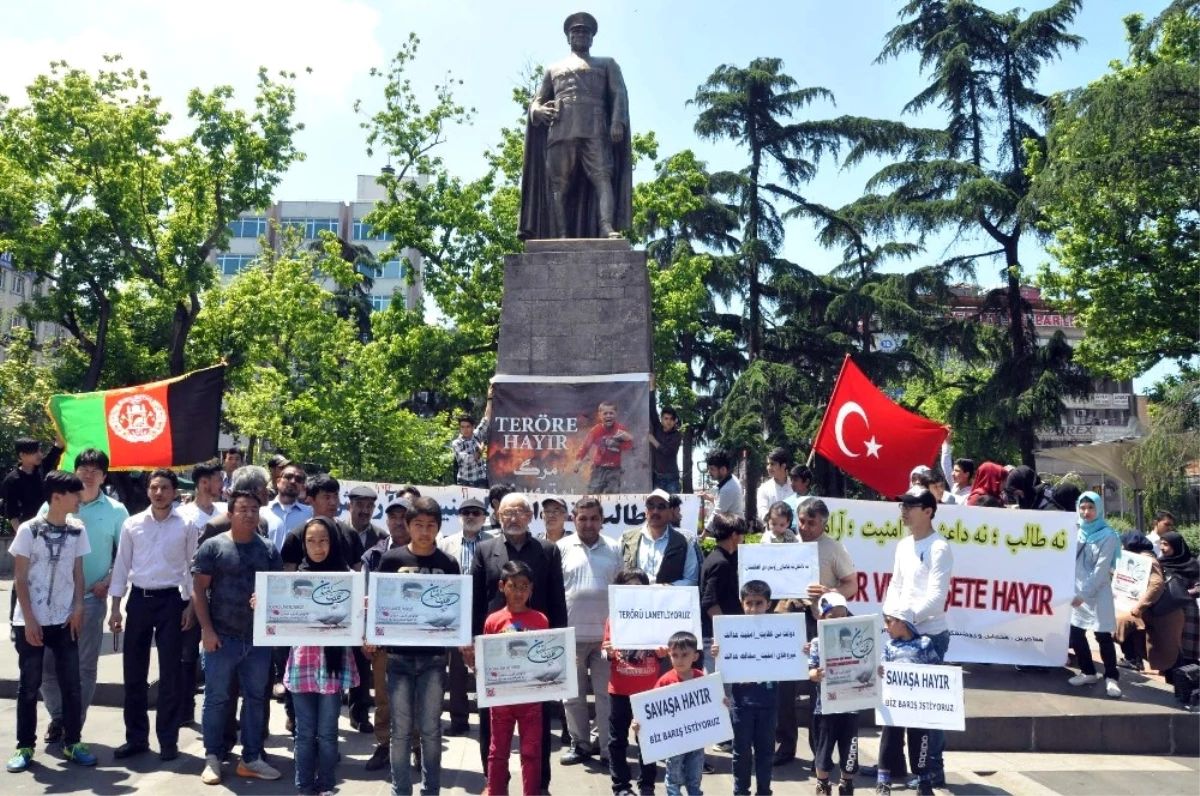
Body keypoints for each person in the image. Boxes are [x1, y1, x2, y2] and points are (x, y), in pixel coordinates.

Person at [471, 493, 569, 790]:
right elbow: (477, 601)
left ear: (530, 516)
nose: (513, 518)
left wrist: (561, 647)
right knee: (492, 726)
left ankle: (539, 784)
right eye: (506, 512)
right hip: (495, 645)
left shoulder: (547, 550)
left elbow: (557, 599)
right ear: (498, 516)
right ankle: (494, 782)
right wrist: (471, 645)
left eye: (519, 512)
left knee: (536, 727)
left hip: (537, 648)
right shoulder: (484, 550)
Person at [192, 488, 284, 785]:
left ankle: (251, 758)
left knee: (257, 699)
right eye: (242, 509)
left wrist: (267, 603)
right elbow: (199, 591)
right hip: (221, 638)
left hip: (258, 641)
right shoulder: (213, 547)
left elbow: (278, 591)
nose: (249, 514)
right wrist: (206, 630)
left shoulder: (269, 549)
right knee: (216, 700)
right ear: (230, 514)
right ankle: (213, 757)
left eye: (254, 510)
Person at [7, 471, 98, 772]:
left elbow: (78, 572)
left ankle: (72, 742)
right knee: (29, 686)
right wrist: (29, 620)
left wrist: (78, 609)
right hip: (31, 622)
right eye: (75, 493)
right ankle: (24, 746)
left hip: (64, 620)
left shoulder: (77, 530)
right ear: (57, 497)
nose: (80, 498)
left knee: (72, 683)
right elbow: (19, 578)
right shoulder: (29, 530)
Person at [37, 449, 128, 743]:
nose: (88, 475)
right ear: (75, 471)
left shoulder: (116, 511)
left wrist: (109, 580)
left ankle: (73, 727)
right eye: (83, 468)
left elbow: (126, 556)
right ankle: (59, 718)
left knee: (84, 668)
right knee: (46, 668)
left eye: (95, 470)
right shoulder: (55, 504)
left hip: (91, 600)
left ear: (104, 476)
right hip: (52, 604)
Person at [107, 468, 197, 761]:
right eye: (154, 487)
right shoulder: (133, 524)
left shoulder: (186, 523)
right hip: (139, 601)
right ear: (148, 490)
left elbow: (192, 568)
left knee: (171, 674)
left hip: (172, 602)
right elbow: (121, 566)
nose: (159, 493)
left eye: (165, 488)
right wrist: (115, 607)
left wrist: (191, 607)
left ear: (174, 492)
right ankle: (136, 738)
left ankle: (168, 740)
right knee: (134, 673)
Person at [519, 11, 633, 241]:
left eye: (585, 32)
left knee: (602, 178)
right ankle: (560, 234)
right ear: (568, 37)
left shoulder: (607, 64)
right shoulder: (553, 69)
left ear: (592, 38)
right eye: (576, 31)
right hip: (561, 131)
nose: (580, 35)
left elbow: (618, 93)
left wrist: (617, 122)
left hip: (596, 129)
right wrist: (536, 111)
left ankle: (606, 227)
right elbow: (537, 102)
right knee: (558, 186)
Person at [377, 496, 461, 796]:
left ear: (439, 527)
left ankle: (431, 790)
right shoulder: (391, 560)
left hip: (435, 660)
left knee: (430, 730)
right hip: (398, 657)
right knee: (400, 731)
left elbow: (456, 609)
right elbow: (380, 606)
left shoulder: (448, 563)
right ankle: (400, 790)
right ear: (407, 526)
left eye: (431, 525)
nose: (425, 531)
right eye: (418, 525)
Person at [776, 499, 858, 768]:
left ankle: (818, 753)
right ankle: (786, 745)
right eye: (801, 520)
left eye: (811, 522)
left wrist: (828, 593)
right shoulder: (786, 544)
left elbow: (852, 586)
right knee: (784, 686)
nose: (805, 526)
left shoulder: (834, 549)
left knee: (817, 687)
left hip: (819, 622)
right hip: (789, 620)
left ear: (824, 522)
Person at [882, 490, 953, 786]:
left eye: (911, 506)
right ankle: (895, 767)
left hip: (930, 636)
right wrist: (889, 617)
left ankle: (933, 769)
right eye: (903, 505)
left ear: (928, 511)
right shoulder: (902, 545)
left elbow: (937, 598)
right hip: (901, 634)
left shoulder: (939, 547)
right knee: (898, 707)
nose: (904, 510)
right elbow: (895, 584)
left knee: (927, 711)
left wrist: (907, 622)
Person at [286, 517, 358, 796]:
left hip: (333, 664)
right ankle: (304, 786)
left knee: (328, 733)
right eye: (311, 541)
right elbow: (278, 616)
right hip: (303, 663)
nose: (318, 547)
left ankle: (327, 785)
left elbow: (357, 617)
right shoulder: (293, 582)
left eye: (324, 540)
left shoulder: (348, 579)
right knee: (304, 733)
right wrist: (264, 603)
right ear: (303, 544)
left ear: (334, 542)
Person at [476, 560, 549, 796]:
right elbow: (485, 658)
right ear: (501, 587)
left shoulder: (541, 620)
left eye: (524, 586)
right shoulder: (493, 621)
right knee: (498, 752)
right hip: (502, 701)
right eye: (513, 586)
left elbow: (548, 656)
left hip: (531, 700)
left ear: (531, 589)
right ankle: (496, 790)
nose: (519, 592)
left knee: (532, 752)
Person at [558, 496, 621, 765]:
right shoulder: (559, 548)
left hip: (605, 639)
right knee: (572, 695)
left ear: (602, 520)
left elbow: (622, 592)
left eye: (594, 518)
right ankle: (580, 745)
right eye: (582, 518)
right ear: (573, 519)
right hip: (570, 636)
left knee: (606, 695)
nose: (588, 523)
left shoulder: (615, 549)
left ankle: (608, 748)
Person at [362, 496, 414, 772]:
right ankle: (383, 746)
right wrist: (365, 635)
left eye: (403, 516)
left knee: (415, 698)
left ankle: (416, 748)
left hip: (418, 640)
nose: (397, 521)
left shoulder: (428, 553)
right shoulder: (374, 554)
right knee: (383, 697)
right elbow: (365, 597)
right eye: (392, 516)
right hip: (383, 640)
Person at [712, 579, 778, 796]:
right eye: (749, 603)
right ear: (742, 603)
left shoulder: (781, 630)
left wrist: (801, 650)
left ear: (768, 604)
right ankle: (740, 792)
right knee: (741, 753)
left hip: (769, 703)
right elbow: (723, 667)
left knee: (766, 752)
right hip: (741, 704)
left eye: (759, 603)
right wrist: (717, 653)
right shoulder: (731, 630)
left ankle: (764, 791)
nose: (754, 608)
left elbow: (790, 659)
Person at [603, 568, 664, 796]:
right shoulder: (613, 618)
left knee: (648, 740)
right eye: (628, 587)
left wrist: (661, 652)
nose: (633, 591)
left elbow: (662, 651)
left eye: (639, 586)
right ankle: (621, 786)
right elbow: (604, 650)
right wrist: (608, 653)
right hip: (618, 690)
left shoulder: (656, 617)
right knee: (617, 741)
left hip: (648, 690)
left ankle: (647, 784)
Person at [439, 496, 493, 737]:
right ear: (459, 516)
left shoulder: (494, 543)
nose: (471, 516)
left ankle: (490, 719)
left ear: (484, 517)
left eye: (476, 512)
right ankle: (459, 719)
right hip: (455, 613)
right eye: (466, 512)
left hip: (486, 612)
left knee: (487, 667)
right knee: (458, 671)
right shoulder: (446, 544)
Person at [875, 609, 940, 796]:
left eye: (889, 622)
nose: (886, 627)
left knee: (920, 740)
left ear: (902, 622)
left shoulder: (925, 644)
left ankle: (923, 781)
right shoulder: (889, 646)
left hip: (918, 704)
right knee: (889, 739)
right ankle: (883, 782)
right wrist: (881, 672)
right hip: (895, 704)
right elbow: (883, 669)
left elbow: (936, 672)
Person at [632, 631, 707, 796]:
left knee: (695, 774)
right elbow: (651, 708)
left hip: (697, 737)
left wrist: (722, 704)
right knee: (673, 774)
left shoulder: (702, 678)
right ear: (669, 656)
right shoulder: (665, 680)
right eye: (675, 655)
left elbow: (713, 702)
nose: (679, 660)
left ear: (695, 656)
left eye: (685, 655)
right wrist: (639, 724)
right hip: (673, 740)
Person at [1067, 491, 1122, 699]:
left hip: (1097, 593)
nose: (1086, 512)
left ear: (1098, 509)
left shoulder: (1107, 535)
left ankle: (1111, 677)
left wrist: (1084, 593)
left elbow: (1101, 570)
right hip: (1076, 591)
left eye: (1090, 508)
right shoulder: (1077, 531)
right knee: (1076, 633)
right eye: (1082, 507)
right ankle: (1088, 671)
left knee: (1102, 635)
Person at [805, 593, 859, 796]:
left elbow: (868, 664)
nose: (838, 621)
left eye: (842, 616)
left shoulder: (856, 640)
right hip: (825, 708)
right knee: (823, 751)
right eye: (832, 617)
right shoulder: (817, 643)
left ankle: (847, 784)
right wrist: (815, 674)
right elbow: (810, 670)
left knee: (849, 750)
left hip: (851, 707)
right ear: (821, 618)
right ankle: (823, 784)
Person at [1114, 532, 1182, 674]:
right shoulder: (1139, 557)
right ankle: (1133, 659)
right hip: (1153, 612)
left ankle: (1184, 684)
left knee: (1167, 651)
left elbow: (1156, 585)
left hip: (1162, 614)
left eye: (1123, 543)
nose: (1122, 546)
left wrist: (1140, 606)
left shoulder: (1146, 559)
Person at [620, 489, 699, 586]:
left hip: (669, 599)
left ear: (670, 512)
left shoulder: (684, 542)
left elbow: (691, 580)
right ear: (645, 511)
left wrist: (665, 587)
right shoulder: (627, 540)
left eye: (661, 507)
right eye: (651, 506)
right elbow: (616, 576)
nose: (655, 511)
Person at [700, 512, 745, 677]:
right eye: (742, 535)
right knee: (719, 690)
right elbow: (710, 602)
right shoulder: (721, 563)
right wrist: (726, 634)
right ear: (734, 535)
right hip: (716, 640)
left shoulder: (719, 558)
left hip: (718, 637)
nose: (743, 540)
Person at [1159, 531, 1200, 676]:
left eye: (1166, 544)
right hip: (1167, 612)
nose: (1162, 547)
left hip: (1188, 613)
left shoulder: (1192, 564)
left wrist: (1182, 593)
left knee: (1188, 654)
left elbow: (1198, 587)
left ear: (1176, 545)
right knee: (1170, 650)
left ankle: (1189, 688)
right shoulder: (1160, 563)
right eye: (1161, 544)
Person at [573, 401, 634, 494]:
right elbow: (585, 446)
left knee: (613, 495)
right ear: (600, 415)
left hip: (615, 469)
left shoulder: (620, 429)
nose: (608, 416)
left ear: (616, 414)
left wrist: (617, 444)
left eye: (611, 413)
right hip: (599, 468)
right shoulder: (596, 431)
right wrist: (578, 460)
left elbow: (628, 445)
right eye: (605, 413)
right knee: (593, 495)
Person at [1, 437, 64, 526]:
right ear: (22, 455)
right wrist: (22, 535)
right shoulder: (12, 480)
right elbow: (12, 513)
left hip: (50, 523)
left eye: (39, 451)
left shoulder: (42, 468)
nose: (39, 455)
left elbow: (55, 451)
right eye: (34, 452)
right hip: (29, 526)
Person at [264, 461, 313, 551]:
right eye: (288, 477)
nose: (293, 481)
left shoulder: (310, 514)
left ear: (302, 487)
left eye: (298, 479)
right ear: (278, 482)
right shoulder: (262, 511)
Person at [452, 402, 491, 488]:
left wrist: (489, 399)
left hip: (481, 480)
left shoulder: (476, 435)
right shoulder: (457, 443)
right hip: (464, 482)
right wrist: (480, 450)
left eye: (468, 426)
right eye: (462, 427)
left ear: (473, 427)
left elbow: (486, 419)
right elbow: (469, 459)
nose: (465, 429)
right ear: (459, 428)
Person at [700, 451, 743, 526]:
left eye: (712, 469)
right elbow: (722, 503)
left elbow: (717, 514)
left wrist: (703, 535)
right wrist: (708, 497)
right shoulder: (731, 480)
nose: (709, 472)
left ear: (723, 470)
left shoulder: (729, 488)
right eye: (708, 469)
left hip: (731, 533)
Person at [649, 400, 683, 494]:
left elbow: (667, 452)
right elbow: (652, 409)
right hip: (657, 478)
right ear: (661, 419)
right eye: (666, 418)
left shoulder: (677, 435)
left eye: (671, 419)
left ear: (675, 420)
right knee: (657, 506)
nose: (669, 421)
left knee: (672, 507)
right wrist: (652, 388)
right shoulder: (657, 427)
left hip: (672, 479)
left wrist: (653, 440)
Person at [756, 448, 795, 523]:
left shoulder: (795, 487)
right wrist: (776, 524)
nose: (768, 467)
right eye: (768, 464)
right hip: (771, 531)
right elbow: (762, 513)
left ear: (783, 466)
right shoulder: (764, 488)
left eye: (772, 464)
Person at [937, 433, 973, 504]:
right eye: (953, 470)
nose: (952, 473)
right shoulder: (954, 485)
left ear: (966, 474)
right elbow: (946, 464)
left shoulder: (970, 495)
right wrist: (946, 442)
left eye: (957, 471)